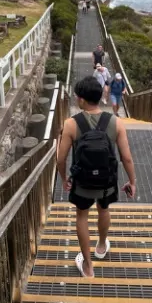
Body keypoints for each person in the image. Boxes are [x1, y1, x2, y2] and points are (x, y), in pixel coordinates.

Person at [56, 76, 136, 278]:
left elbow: (61, 158)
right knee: (104, 209)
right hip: (106, 181)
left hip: (82, 182)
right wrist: (132, 181)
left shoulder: (71, 124)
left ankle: (88, 267)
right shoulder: (116, 122)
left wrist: (64, 178)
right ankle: (101, 246)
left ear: (81, 100)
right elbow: (126, 157)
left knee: (82, 216)